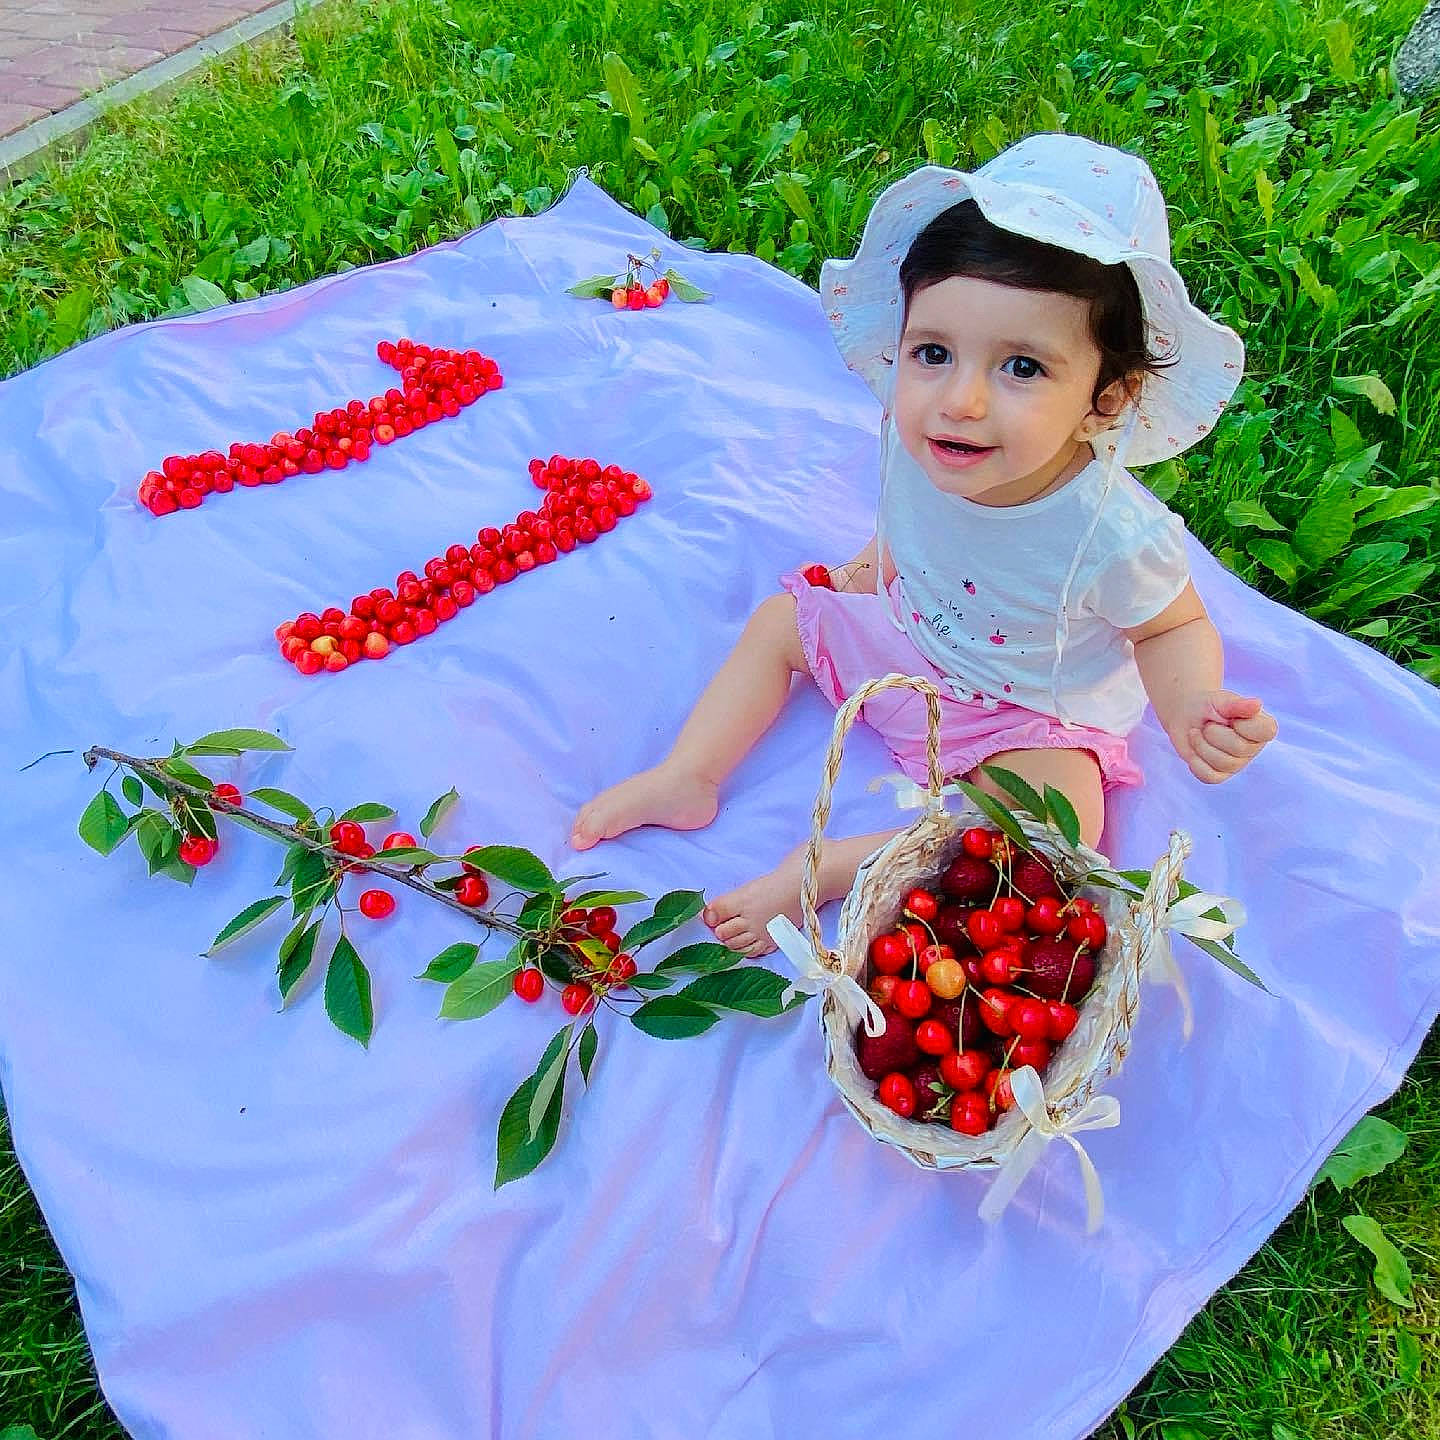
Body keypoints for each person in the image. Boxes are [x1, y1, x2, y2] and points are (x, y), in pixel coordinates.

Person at [570, 132, 1278, 954]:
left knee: (1056, 840)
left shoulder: (1109, 532)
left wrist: (1190, 704)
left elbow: (1172, 627)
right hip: (915, 644)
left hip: (1030, 714)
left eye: (1022, 368)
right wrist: (872, 572)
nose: (961, 400)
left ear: (1105, 399)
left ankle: (838, 864)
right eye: (933, 354)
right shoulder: (923, 441)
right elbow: (903, 522)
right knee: (779, 624)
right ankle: (689, 773)